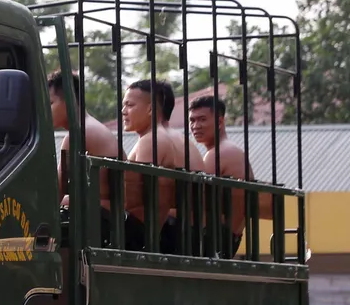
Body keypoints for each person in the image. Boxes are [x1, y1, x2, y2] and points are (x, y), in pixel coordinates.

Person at [122, 79, 203, 253]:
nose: (123, 112)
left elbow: (132, 199)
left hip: (158, 236)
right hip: (190, 236)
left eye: (129, 105)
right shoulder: (184, 141)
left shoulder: (152, 140)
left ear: (151, 108)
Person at [188, 94, 274, 255]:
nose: (195, 126)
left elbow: (192, 198)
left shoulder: (219, 153)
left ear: (219, 122)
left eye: (202, 119)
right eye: (192, 120)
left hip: (214, 241)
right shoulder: (226, 150)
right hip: (226, 239)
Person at [48, 70, 120, 244]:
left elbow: (56, 190)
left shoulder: (78, 133)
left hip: (99, 222)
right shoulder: (91, 127)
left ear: (70, 100)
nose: (45, 109)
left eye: (50, 102)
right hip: (110, 217)